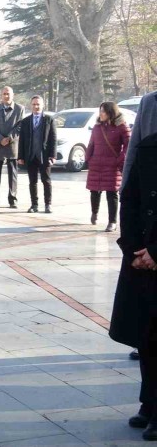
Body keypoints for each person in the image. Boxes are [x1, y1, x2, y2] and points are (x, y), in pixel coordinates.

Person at [109, 131, 157, 441]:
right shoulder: (149, 145)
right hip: (142, 258)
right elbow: (129, 198)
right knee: (147, 334)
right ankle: (149, 402)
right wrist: (133, 249)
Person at [85, 101, 131, 232]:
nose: (101, 114)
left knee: (112, 194)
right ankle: (94, 213)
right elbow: (91, 144)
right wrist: (88, 159)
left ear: (110, 112)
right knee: (94, 191)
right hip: (96, 164)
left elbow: (129, 145)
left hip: (112, 166)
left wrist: (120, 159)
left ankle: (112, 222)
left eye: (103, 111)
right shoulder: (97, 127)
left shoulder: (122, 126)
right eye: (100, 111)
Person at [18, 95, 56, 214]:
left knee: (46, 180)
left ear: (42, 105)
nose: (36, 106)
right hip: (31, 155)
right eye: (34, 104)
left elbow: (53, 138)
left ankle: (48, 204)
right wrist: (20, 156)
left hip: (44, 155)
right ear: (31, 105)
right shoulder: (25, 121)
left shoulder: (49, 120)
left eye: (38, 104)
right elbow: (22, 140)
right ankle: (34, 205)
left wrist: (53, 155)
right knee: (32, 181)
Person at [0, 86, 24, 209]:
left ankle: (12, 200)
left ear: (13, 95)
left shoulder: (20, 109)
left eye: (8, 94)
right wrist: (0, 139)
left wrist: (9, 138)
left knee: (12, 174)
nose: (6, 96)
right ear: (1, 96)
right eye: (4, 94)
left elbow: (20, 126)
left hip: (12, 146)